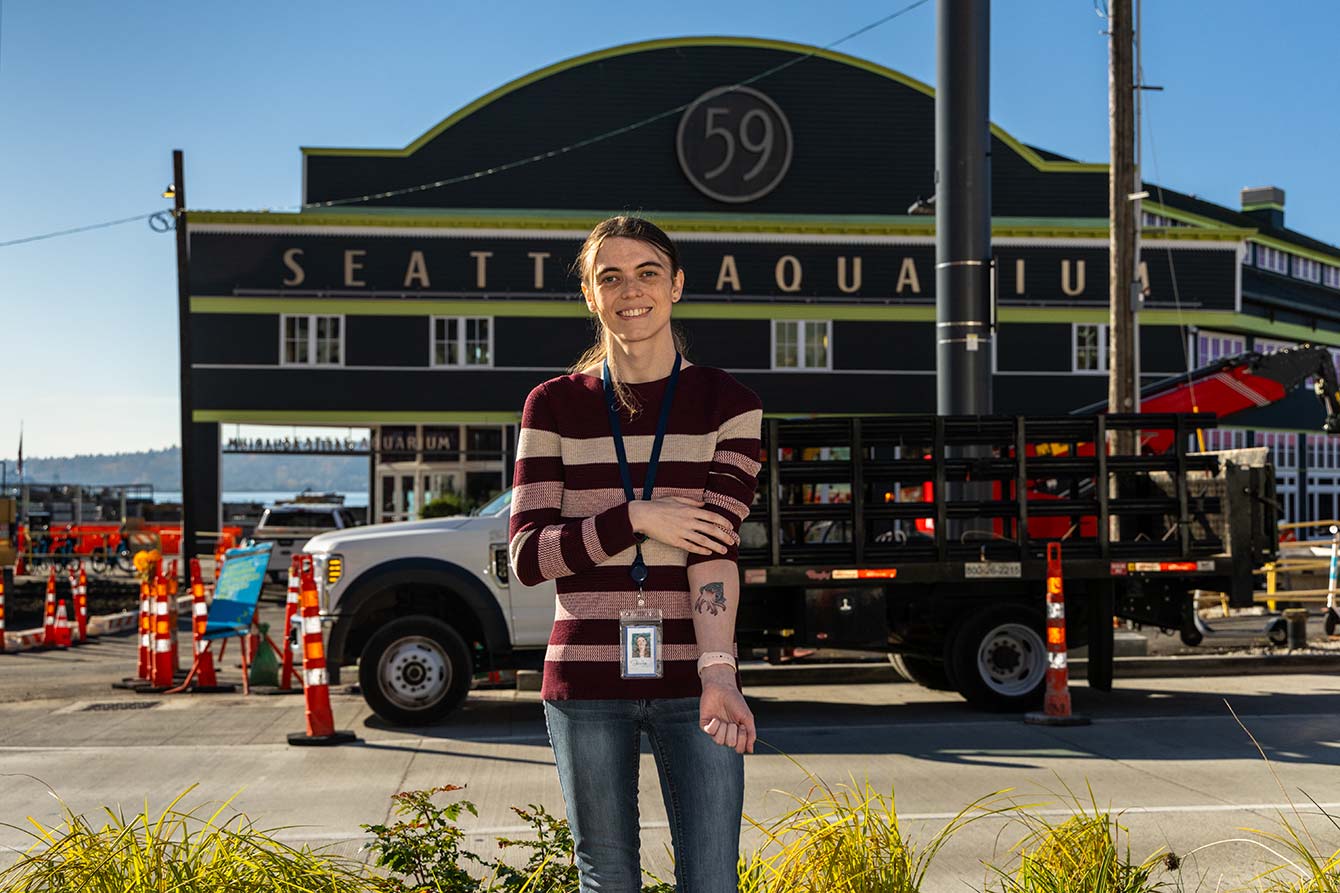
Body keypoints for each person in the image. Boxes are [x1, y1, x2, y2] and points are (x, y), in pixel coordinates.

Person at [509, 215, 763, 892]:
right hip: (584, 682)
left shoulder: (727, 402)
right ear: (591, 296)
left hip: (692, 680)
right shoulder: (553, 405)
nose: (631, 290)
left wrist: (719, 673)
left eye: (648, 271)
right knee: (608, 879)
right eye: (609, 276)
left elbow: (712, 547)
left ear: (676, 284)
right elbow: (529, 557)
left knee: (712, 879)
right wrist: (637, 517)